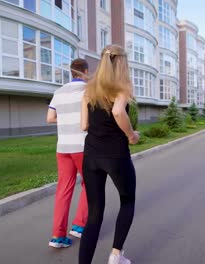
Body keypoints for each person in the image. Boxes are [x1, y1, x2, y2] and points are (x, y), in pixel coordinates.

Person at [79, 45, 139, 264]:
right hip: (116, 155)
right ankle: (116, 256)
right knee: (127, 201)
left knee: (94, 213)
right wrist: (132, 135)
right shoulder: (122, 87)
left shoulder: (89, 90)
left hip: (91, 156)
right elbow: (117, 111)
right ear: (122, 62)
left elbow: (84, 125)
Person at [47, 58, 90, 248]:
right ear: (86, 71)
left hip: (63, 147)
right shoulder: (89, 90)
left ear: (71, 72)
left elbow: (50, 118)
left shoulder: (58, 91)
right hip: (83, 147)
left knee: (64, 189)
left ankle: (57, 236)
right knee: (90, 185)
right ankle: (79, 226)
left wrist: (65, 119)